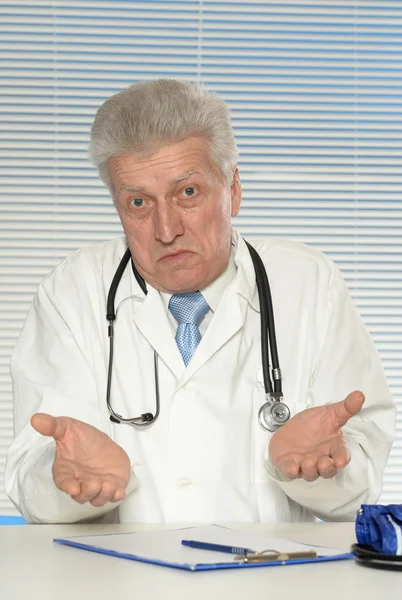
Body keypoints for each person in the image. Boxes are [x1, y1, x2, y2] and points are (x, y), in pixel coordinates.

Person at [5, 79, 395, 524]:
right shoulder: (71, 291)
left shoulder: (309, 284)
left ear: (233, 189)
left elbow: (361, 483)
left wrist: (317, 470)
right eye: (138, 202)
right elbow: (30, 480)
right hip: (120, 587)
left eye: (188, 193)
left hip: (267, 585)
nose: (166, 229)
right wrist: (65, 482)